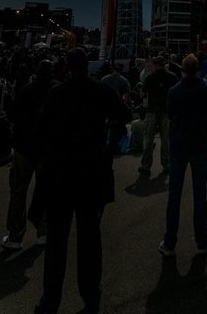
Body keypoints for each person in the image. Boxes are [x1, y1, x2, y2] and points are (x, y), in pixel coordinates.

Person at [32, 48, 129, 314]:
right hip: (90, 174)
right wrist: (109, 146)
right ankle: (90, 295)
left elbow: (40, 130)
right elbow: (124, 115)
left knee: (56, 241)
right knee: (89, 237)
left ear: (66, 67)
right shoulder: (100, 91)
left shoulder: (57, 93)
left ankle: (50, 299)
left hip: (61, 176)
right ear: (88, 66)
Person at [159, 53, 207, 257]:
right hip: (199, 145)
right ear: (198, 69)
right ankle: (201, 240)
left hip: (179, 145)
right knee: (200, 193)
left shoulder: (174, 92)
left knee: (174, 194)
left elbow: (170, 115)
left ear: (181, 69)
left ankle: (169, 242)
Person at [1, 60, 54, 251]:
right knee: (45, 191)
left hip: (24, 147)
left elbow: (12, 114)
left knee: (18, 192)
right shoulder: (56, 91)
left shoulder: (26, 91)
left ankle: (15, 235)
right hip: (47, 150)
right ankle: (44, 232)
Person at [138, 54, 175, 177]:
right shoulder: (172, 77)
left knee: (148, 139)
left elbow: (143, 94)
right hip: (166, 111)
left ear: (155, 65)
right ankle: (167, 164)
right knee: (166, 140)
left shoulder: (150, 77)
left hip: (152, 110)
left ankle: (146, 166)